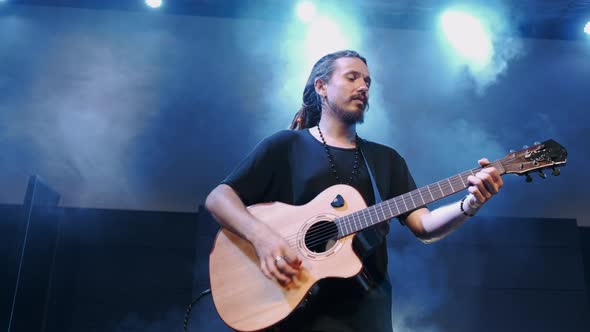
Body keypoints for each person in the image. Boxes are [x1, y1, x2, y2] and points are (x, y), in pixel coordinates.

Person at [205, 50, 503, 332]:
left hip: (366, 315)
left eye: (367, 81)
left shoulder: (385, 160)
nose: (363, 86)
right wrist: (263, 238)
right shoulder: (285, 146)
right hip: (293, 311)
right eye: (352, 77)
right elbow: (219, 198)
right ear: (321, 86)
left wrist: (470, 204)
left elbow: (423, 226)